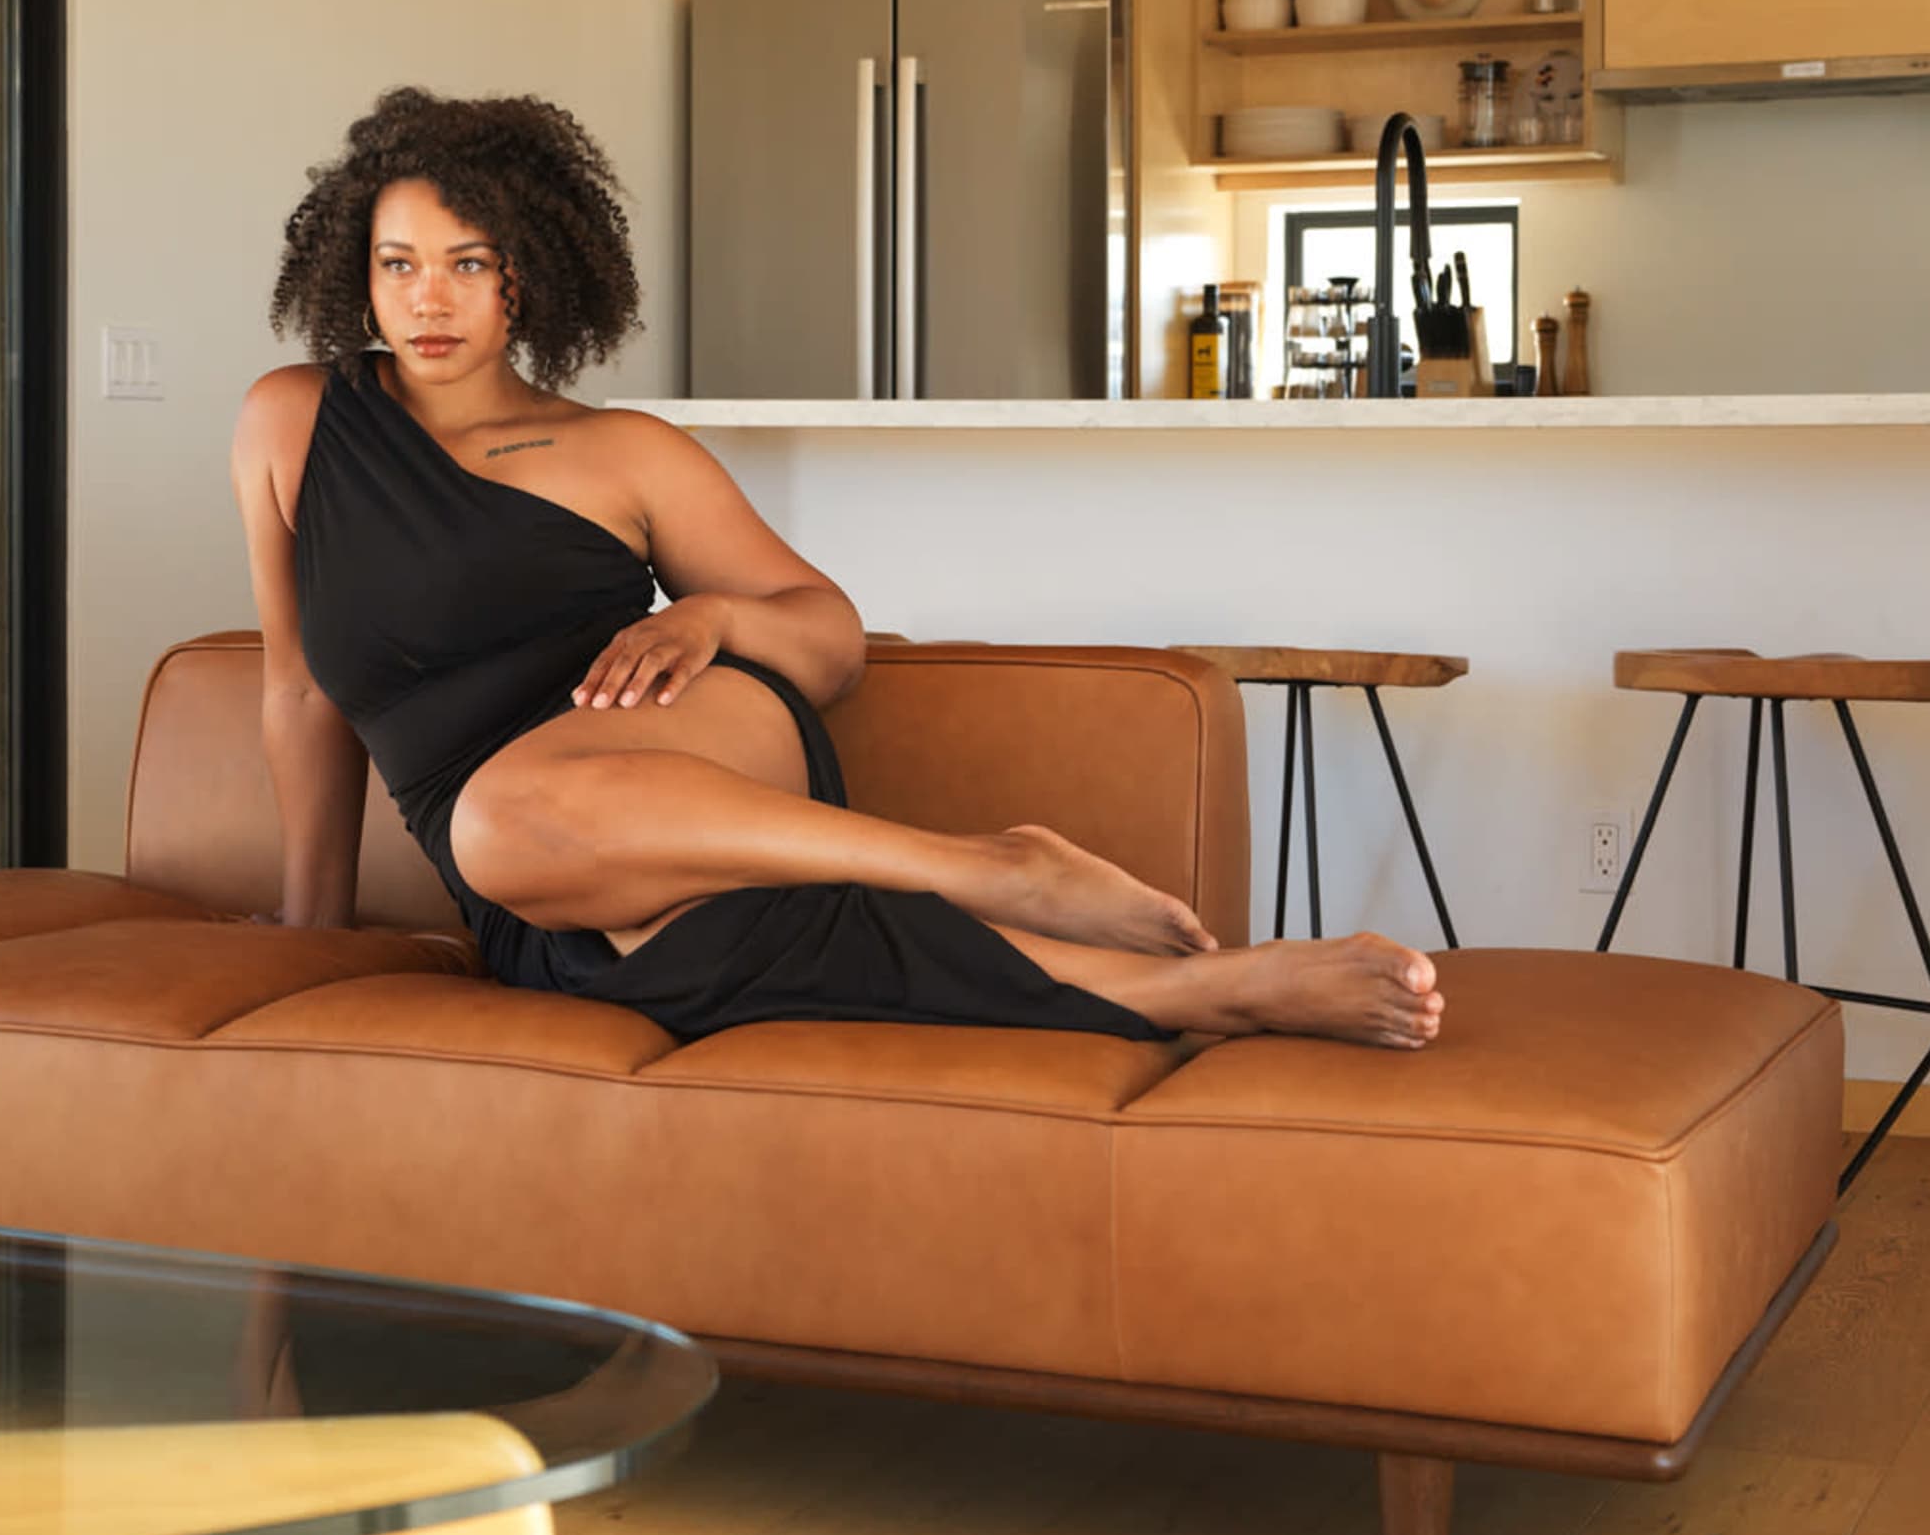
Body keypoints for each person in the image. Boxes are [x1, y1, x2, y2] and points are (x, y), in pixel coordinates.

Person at [230, 86, 1445, 1050]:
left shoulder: (628, 453)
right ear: (359, 271)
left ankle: (991, 870)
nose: (427, 300)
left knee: (506, 819)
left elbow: (832, 642)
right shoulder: (292, 423)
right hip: (548, 869)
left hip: (689, 738)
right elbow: (298, 691)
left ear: (527, 277)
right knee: (675, 950)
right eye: (399, 265)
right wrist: (308, 927)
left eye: (467, 263)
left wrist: (710, 616)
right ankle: (1204, 991)